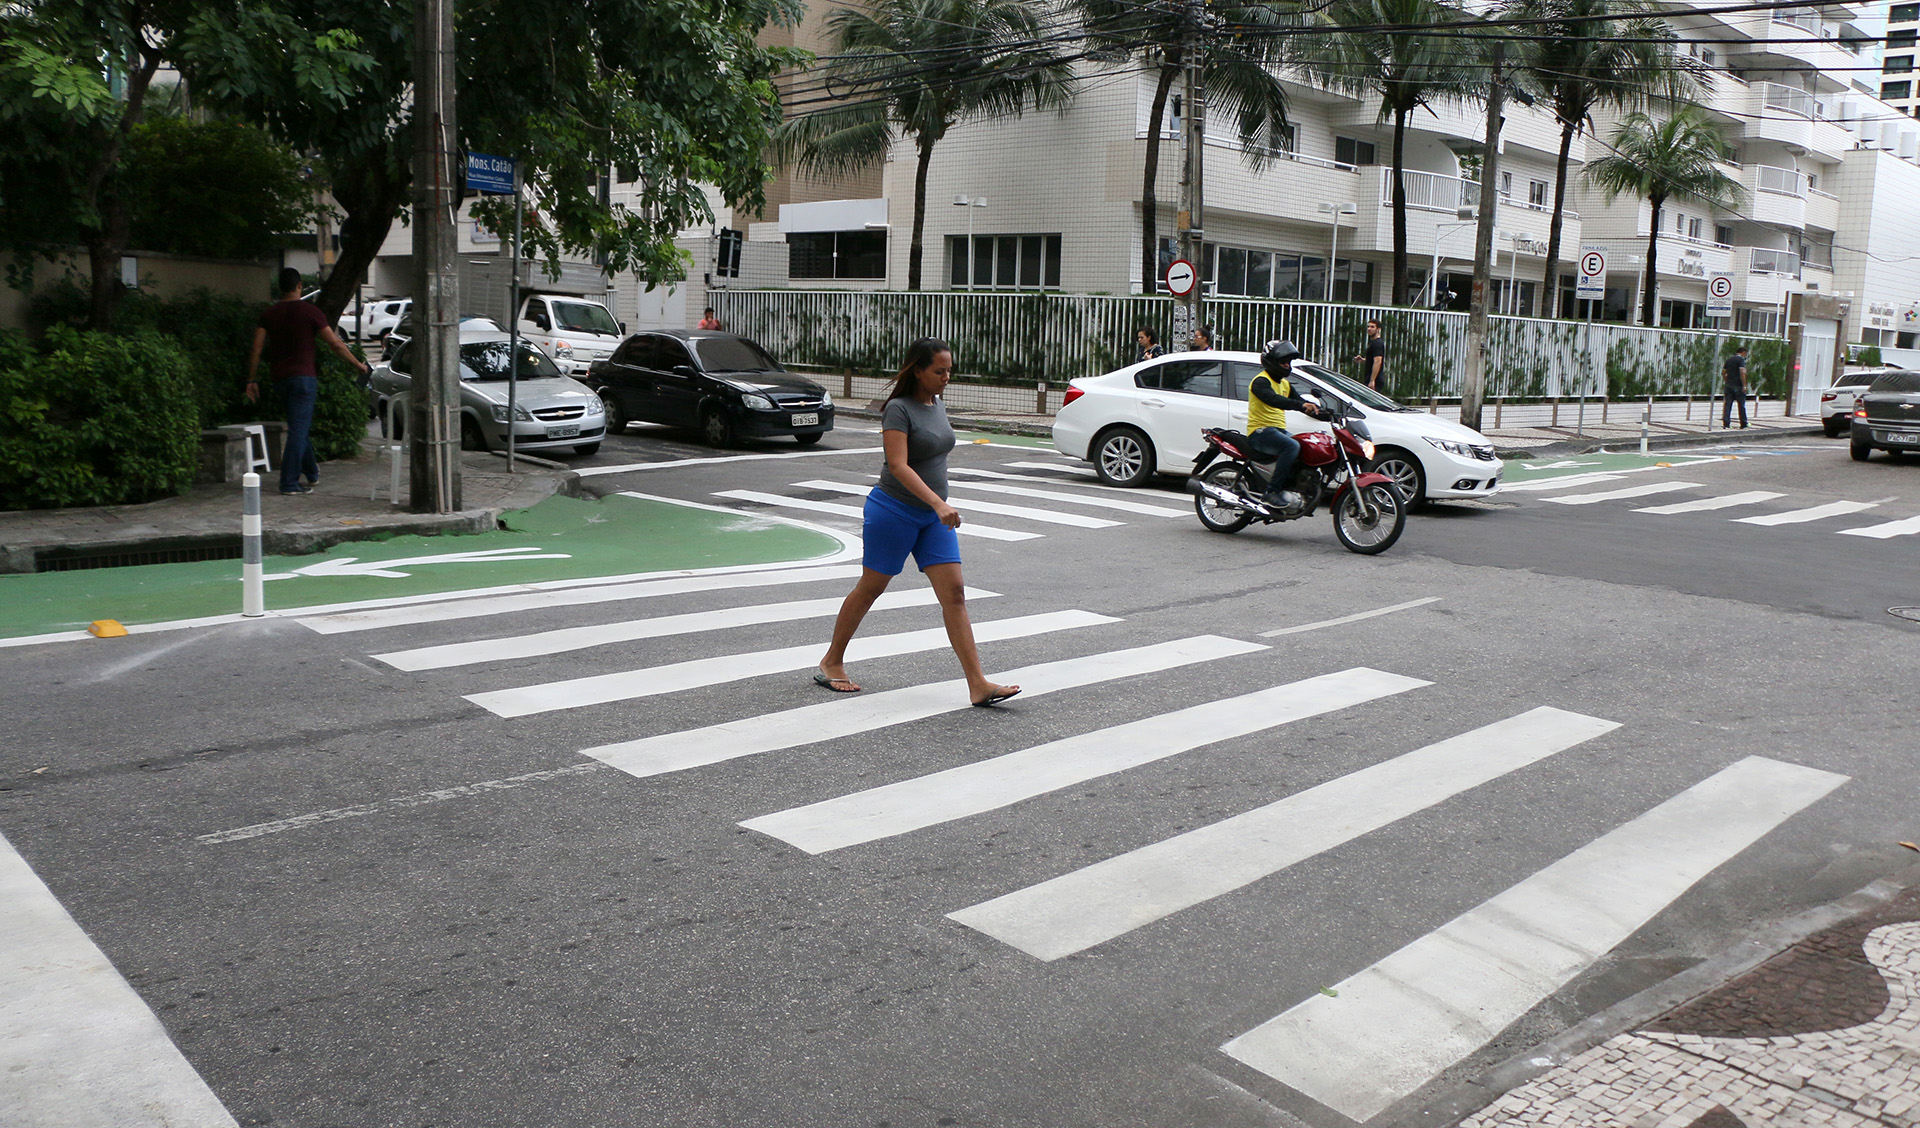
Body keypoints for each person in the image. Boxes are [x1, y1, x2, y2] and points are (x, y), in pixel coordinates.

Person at [816, 338, 1020, 708]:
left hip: (932, 518)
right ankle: (832, 660)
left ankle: (978, 684)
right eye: (939, 371)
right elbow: (898, 465)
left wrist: (937, 507)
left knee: (955, 593)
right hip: (893, 511)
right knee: (871, 587)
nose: (946, 377)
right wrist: (939, 503)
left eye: (949, 371)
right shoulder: (897, 409)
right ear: (918, 371)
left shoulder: (937, 404)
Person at [246, 268, 368, 495]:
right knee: (298, 431)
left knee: (298, 428)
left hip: (280, 380)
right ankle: (289, 483)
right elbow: (335, 344)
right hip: (304, 379)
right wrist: (357, 364)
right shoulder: (310, 312)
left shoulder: (269, 314)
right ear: (299, 285)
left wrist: (251, 379)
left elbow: (257, 347)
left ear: (280, 287)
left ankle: (311, 473)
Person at [1244, 339, 1327, 513]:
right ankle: (1271, 492)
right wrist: (1301, 406)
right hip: (1260, 431)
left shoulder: (1285, 384)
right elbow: (1275, 400)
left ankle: (1293, 488)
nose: (1287, 365)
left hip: (1277, 430)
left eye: (1289, 362)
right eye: (1283, 361)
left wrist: (1324, 412)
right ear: (1271, 361)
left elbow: (1299, 402)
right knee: (1291, 445)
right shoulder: (1260, 382)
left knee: (1307, 446)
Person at [1354, 319, 1386, 392]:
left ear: (1378, 329)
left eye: (1372, 327)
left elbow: (1378, 361)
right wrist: (1364, 360)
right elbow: (1374, 359)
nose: (1369, 329)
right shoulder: (1373, 342)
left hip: (1375, 381)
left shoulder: (1377, 343)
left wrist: (1372, 380)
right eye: (1368, 327)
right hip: (1370, 378)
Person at [1722, 345, 1750, 429]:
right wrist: (1744, 385)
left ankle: (1726, 424)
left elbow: (1723, 372)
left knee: (1728, 405)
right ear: (1743, 353)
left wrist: (1727, 380)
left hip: (1729, 385)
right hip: (1738, 385)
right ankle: (1743, 424)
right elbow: (1742, 372)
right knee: (1741, 405)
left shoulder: (1729, 360)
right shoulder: (1741, 360)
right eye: (1745, 354)